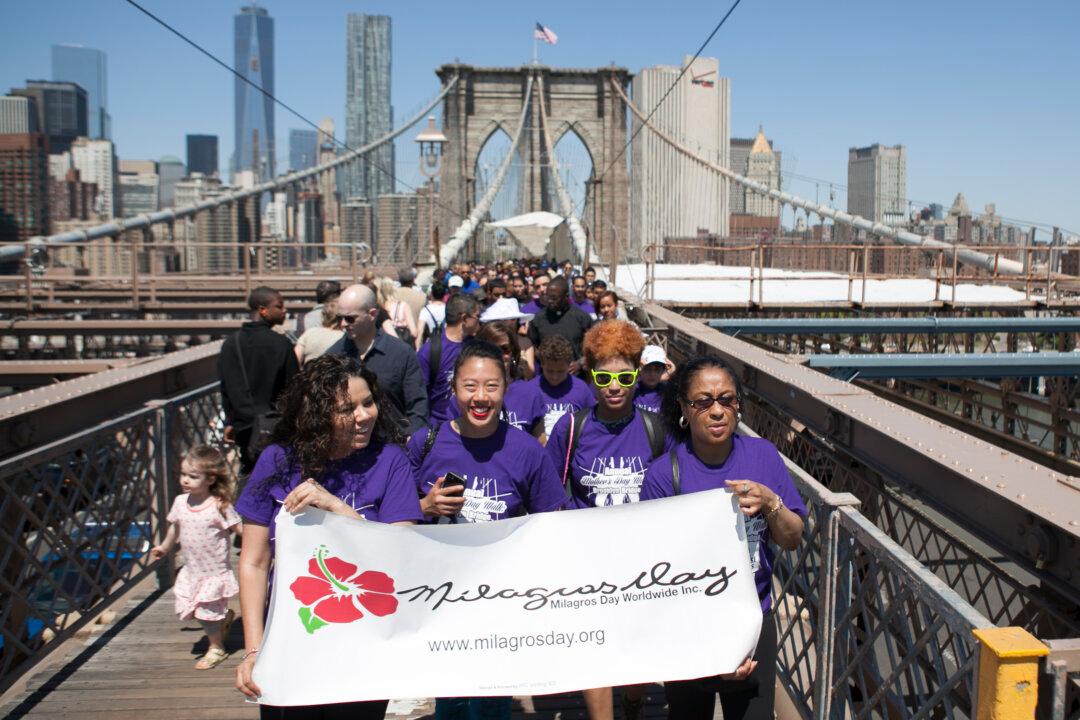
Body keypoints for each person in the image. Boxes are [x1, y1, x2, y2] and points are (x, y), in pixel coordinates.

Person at [234, 355, 423, 717]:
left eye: (368, 402)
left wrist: (337, 508)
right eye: (346, 409)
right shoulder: (276, 460)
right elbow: (255, 563)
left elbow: (398, 554)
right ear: (317, 415)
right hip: (289, 638)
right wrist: (255, 651)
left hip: (363, 642)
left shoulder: (390, 461)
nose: (364, 415)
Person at [640, 355, 806, 720]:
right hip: (687, 625)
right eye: (703, 401)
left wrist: (770, 502)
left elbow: (792, 538)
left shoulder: (763, 456)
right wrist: (709, 653)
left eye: (727, 399)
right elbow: (654, 572)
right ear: (684, 408)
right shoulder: (662, 476)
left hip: (752, 618)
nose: (717, 411)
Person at [543, 321, 672, 720]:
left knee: (635, 645)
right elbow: (548, 492)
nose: (614, 386)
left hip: (642, 562)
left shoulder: (656, 429)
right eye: (603, 377)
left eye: (624, 376)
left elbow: (677, 485)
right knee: (594, 648)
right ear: (591, 378)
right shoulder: (571, 427)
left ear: (637, 376)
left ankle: (632, 701)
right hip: (587, 561)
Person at [150, 445, 242, 670]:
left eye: (193, 476)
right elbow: (175, 528)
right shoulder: (181, 502)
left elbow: (240, 529)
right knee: (195, 611)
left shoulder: (219, 505)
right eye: (183, 475)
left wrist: (256, 544)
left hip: (213, 572)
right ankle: (223, 620)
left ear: (210, 479)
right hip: (192, 570)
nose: (185, 480)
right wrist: (164, 547)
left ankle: (216, 648)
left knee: (207, 612)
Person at [326, 284, 429, 434]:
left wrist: (411, 441)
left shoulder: (401, 353)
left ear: (372, 314)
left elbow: (418, 406)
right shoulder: (332, 356)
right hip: (348, 449)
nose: (343, 324)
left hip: (394, 446)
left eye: (349, 318)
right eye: (339, 318)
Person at [219, 286, 299, 474]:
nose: (284, 310)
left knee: (250, 474)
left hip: (244, 427)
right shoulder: (281, 344)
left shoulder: (231, 344)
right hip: (275, 427)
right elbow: (294, 387)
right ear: (263, 310)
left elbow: (226, 389)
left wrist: (230, 422)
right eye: (279, 306)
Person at [445, 320, 545, 437]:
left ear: (513, 352)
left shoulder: (531, 393)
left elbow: (540, 441)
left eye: (505, 349)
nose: (498, 354)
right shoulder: (463, 397)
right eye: (490, 348)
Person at [417, 292, 481, 424]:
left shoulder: (477, 346)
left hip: (473, 424)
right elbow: (419, 394)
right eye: (477, 316)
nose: (479, 321)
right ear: (464, 319)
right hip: (440, 426)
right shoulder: (430, 351)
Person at [531, 335, 596, 441]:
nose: (555, 377)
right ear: (542, 364)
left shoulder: (581, 389)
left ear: (569, 365)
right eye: (550, 371)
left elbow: (592, 421)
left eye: (561, 371)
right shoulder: (530, 390)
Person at [528, 277, 593, 371]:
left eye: (554, 298)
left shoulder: (582, 318)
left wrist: (580, 363)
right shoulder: (538, 319)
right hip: (546, 377)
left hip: (574, 377)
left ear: (566, 297)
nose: (550, 301)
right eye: (548, 296)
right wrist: (545, 361)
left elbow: (592, 348)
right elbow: (532, 346)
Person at [293, 299, 344, 367]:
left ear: (323, 315)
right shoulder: (344, 336)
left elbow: (295, 359)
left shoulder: (310, 333)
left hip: (310, 375)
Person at [378, 277, 420, 348]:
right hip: (402, 346)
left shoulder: (379, 308)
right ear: (394, 289)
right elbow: (414, 333)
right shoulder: (403, 306)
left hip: (385, 346)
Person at [634, 345, 673, 413]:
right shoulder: (633, 390)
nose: (652, 374)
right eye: (647, 369)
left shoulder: (667, 391)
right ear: (639, 369)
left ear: (663, 371)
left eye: (657, 369)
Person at [418, 279, 448, 348]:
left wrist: (418, 350)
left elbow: (420, 333)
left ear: (431, 294)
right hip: (446, 344)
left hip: (430, 345)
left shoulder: (425, 310)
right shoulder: (449, 309)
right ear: (444, 295)